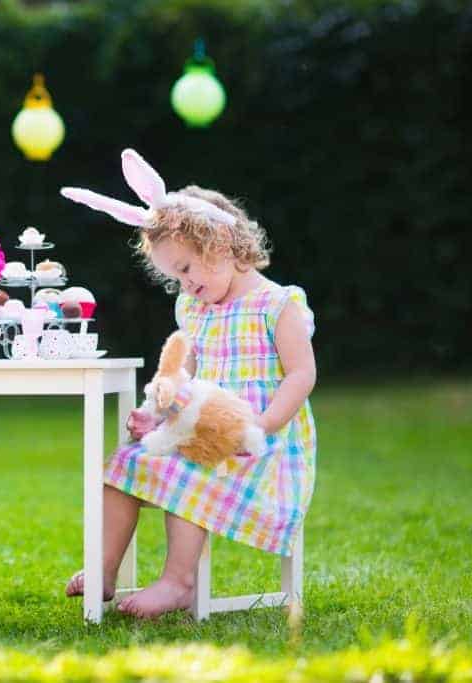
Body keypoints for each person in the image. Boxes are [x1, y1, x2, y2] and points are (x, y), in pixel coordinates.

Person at [60, 150, 316, 618]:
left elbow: (302, 374)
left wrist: (261, 424)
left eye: (185, 268)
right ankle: (105, 569)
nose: (183, 282)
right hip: (199, 432)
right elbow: (182, 374)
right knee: (122, 468)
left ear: (221, 244)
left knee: (188, 472)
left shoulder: (279, 304)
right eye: (173, 274)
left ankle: (179, 582)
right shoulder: (194, 309)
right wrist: (155, 412)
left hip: (261, 447)